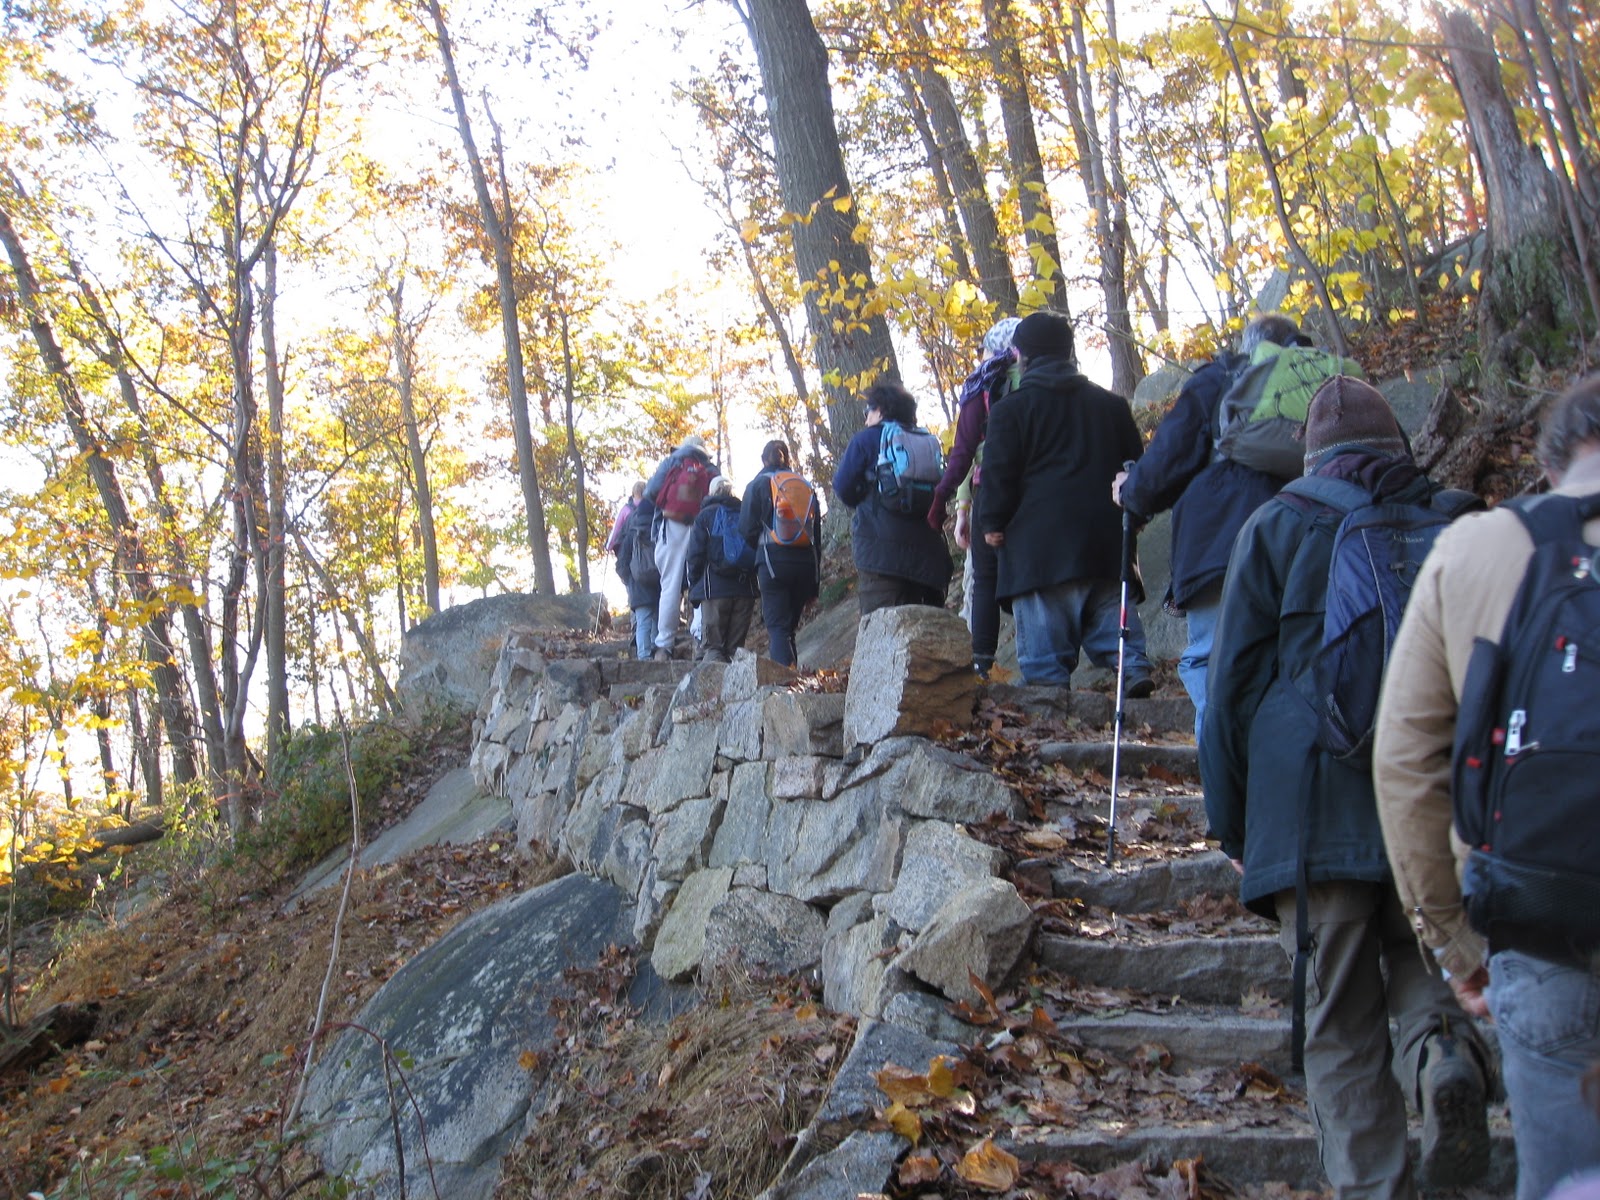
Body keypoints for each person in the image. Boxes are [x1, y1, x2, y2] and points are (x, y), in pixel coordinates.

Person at [1201, 376, 1491, 1199]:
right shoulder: (1457, 524)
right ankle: (1442, 1057)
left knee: (1340, 1023)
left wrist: (1233, 826)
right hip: (1437, 801)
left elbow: (1229, 695)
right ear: (1400, 445)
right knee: (1430, 961)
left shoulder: (1277, 526)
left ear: (1311, 458)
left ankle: (1374, 1187)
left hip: (1311, 812)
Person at [1374, 374, 1600, 1200]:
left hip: (1545, 933)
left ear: (1550, 463)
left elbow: (1405, 762)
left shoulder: (1477, 549)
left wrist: (1453, 944)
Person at [1113, 314, 1303, 738]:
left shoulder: (1223, 378)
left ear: (1246, 344)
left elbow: (1168, 460)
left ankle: (1226, 767)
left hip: (1225, 543)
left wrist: (1130, 492)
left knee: (1212, 662)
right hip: (1316, 538)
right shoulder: (1326, 379)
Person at [977, 310, 1153, 691]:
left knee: (1045, 665)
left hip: (1037, 550)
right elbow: (1136, 469)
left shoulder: (1010, 410)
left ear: (1021, 355)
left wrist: (991, 522)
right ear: (1068, 351)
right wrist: (1137, 514)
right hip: (1106, 541)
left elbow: (999, 474)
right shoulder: (1112, 406)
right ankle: (1132, 667)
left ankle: (1050, 701)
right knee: (1112, 623)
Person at [929, 317, 1021, 679]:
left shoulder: (983, 382)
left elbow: (965, 450)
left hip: (991, 487)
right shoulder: (1044, 377)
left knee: (985, 578)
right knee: (1030, 573)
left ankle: (982, 662)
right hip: (1039, 490)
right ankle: (1039, 662)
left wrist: (950, 501)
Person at [832, 380, 953, 616]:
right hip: (929, 555)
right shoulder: (925, 441)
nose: (866, 419)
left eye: (867, 411)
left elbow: (843, 487)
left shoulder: (865, 440)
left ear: (880, 410)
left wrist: (864, 495)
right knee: (929, 628)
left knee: (884, 631)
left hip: (882, 555)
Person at [740, 440, 820, 667]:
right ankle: (793, 675)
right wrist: (814, 585)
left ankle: (785, 683)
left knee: (777, 628)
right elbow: (816, 535)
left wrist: (759, 550)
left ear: (764, 460)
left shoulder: (757, 485)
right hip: (805, 563)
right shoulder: (804, 485)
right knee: (789, 629)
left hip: (772, 561)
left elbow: (746, 529)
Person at [644, 434, 718, 661]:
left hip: (671, 525)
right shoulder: (710, 468)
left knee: (670, 585)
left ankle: (664, 645)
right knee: (701, 582)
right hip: (701, 525)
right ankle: (700, 637)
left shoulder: (672, 462)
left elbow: (650, 492)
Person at [685, 475, 759, 663]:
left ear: (711, 492)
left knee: (714, 649)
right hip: (745, 589)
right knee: (736, 651)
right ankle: (737, 682)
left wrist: (694, 585)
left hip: (715, 591)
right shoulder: (745, 513)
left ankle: (712, 683)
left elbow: (695, 555)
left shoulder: (705, 516)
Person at [614, 494, 661, 660]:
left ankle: (644, 656)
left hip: (638, 586)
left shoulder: (630, 535)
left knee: (643, 622)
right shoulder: (659, 532)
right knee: (657, 621)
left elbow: (621, 564)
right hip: (658, 583)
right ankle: (657, 652)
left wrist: (630, 580)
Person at [605, 481, 646, 556]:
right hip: (644, 550)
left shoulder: (626, 509)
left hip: (627, 549)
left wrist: (609, 545)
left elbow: (616, 529)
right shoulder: (650, 509)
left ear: (633, 493)